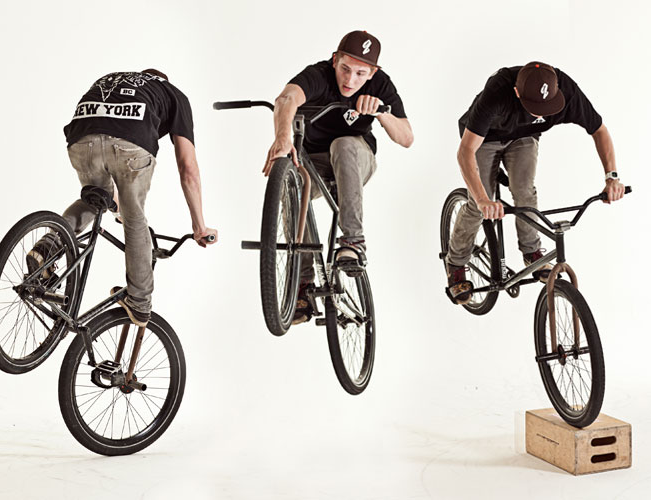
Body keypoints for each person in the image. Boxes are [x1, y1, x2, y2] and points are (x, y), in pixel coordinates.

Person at [27, 69, 217, 326]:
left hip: (81, 136)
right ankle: (139, 301)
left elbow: (106, 140)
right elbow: (188, 169)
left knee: (95, 199)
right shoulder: (174, 95)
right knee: (135, 217)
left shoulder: (112, 79)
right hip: (131, 142)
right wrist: (199, 226)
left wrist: (117, 209)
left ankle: (47, 247)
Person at [445, 61, 625, 304]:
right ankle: (456, 263)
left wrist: (612, 177)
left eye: (547, 107)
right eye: (534, 108)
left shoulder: (567, 91)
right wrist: (482, 199)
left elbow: (599, 130)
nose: (541, 114)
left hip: (524, 136)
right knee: (478, 207)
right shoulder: (497, 93)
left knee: (525, 193)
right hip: (485, 138)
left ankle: (532, 253)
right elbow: (465, 151)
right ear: (516, 93)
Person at [264, 30, 413, 323]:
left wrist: (381, 112)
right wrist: (282, 137)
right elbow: (286, 98)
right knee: (291, 184)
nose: (350, 80)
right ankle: (302, 283)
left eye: (360, 74)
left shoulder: (380, 84)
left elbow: (406, 137)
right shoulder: (319, 75)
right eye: (345, 69)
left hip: (356, 158)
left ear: (372, 73)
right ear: (335, 60)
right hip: (315, 162)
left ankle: (353, 242)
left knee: (343, 143)